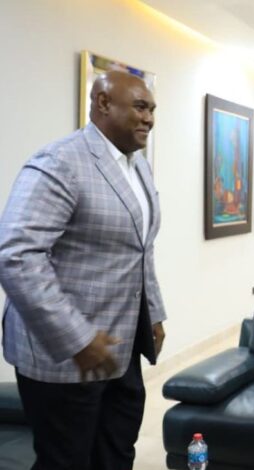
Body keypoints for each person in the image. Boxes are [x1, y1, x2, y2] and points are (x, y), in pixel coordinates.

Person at [0, 70, 166, 469]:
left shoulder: (139, 166)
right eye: (140, 107)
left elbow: (141, 249)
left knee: (116, 452)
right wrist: (77, 338)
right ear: (103, 103)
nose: (149, 118)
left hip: (120, 347)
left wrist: (154, 314)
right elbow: (18, 256)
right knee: (67, 461)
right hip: (63, 354)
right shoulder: (60, 161)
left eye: (152, 109)